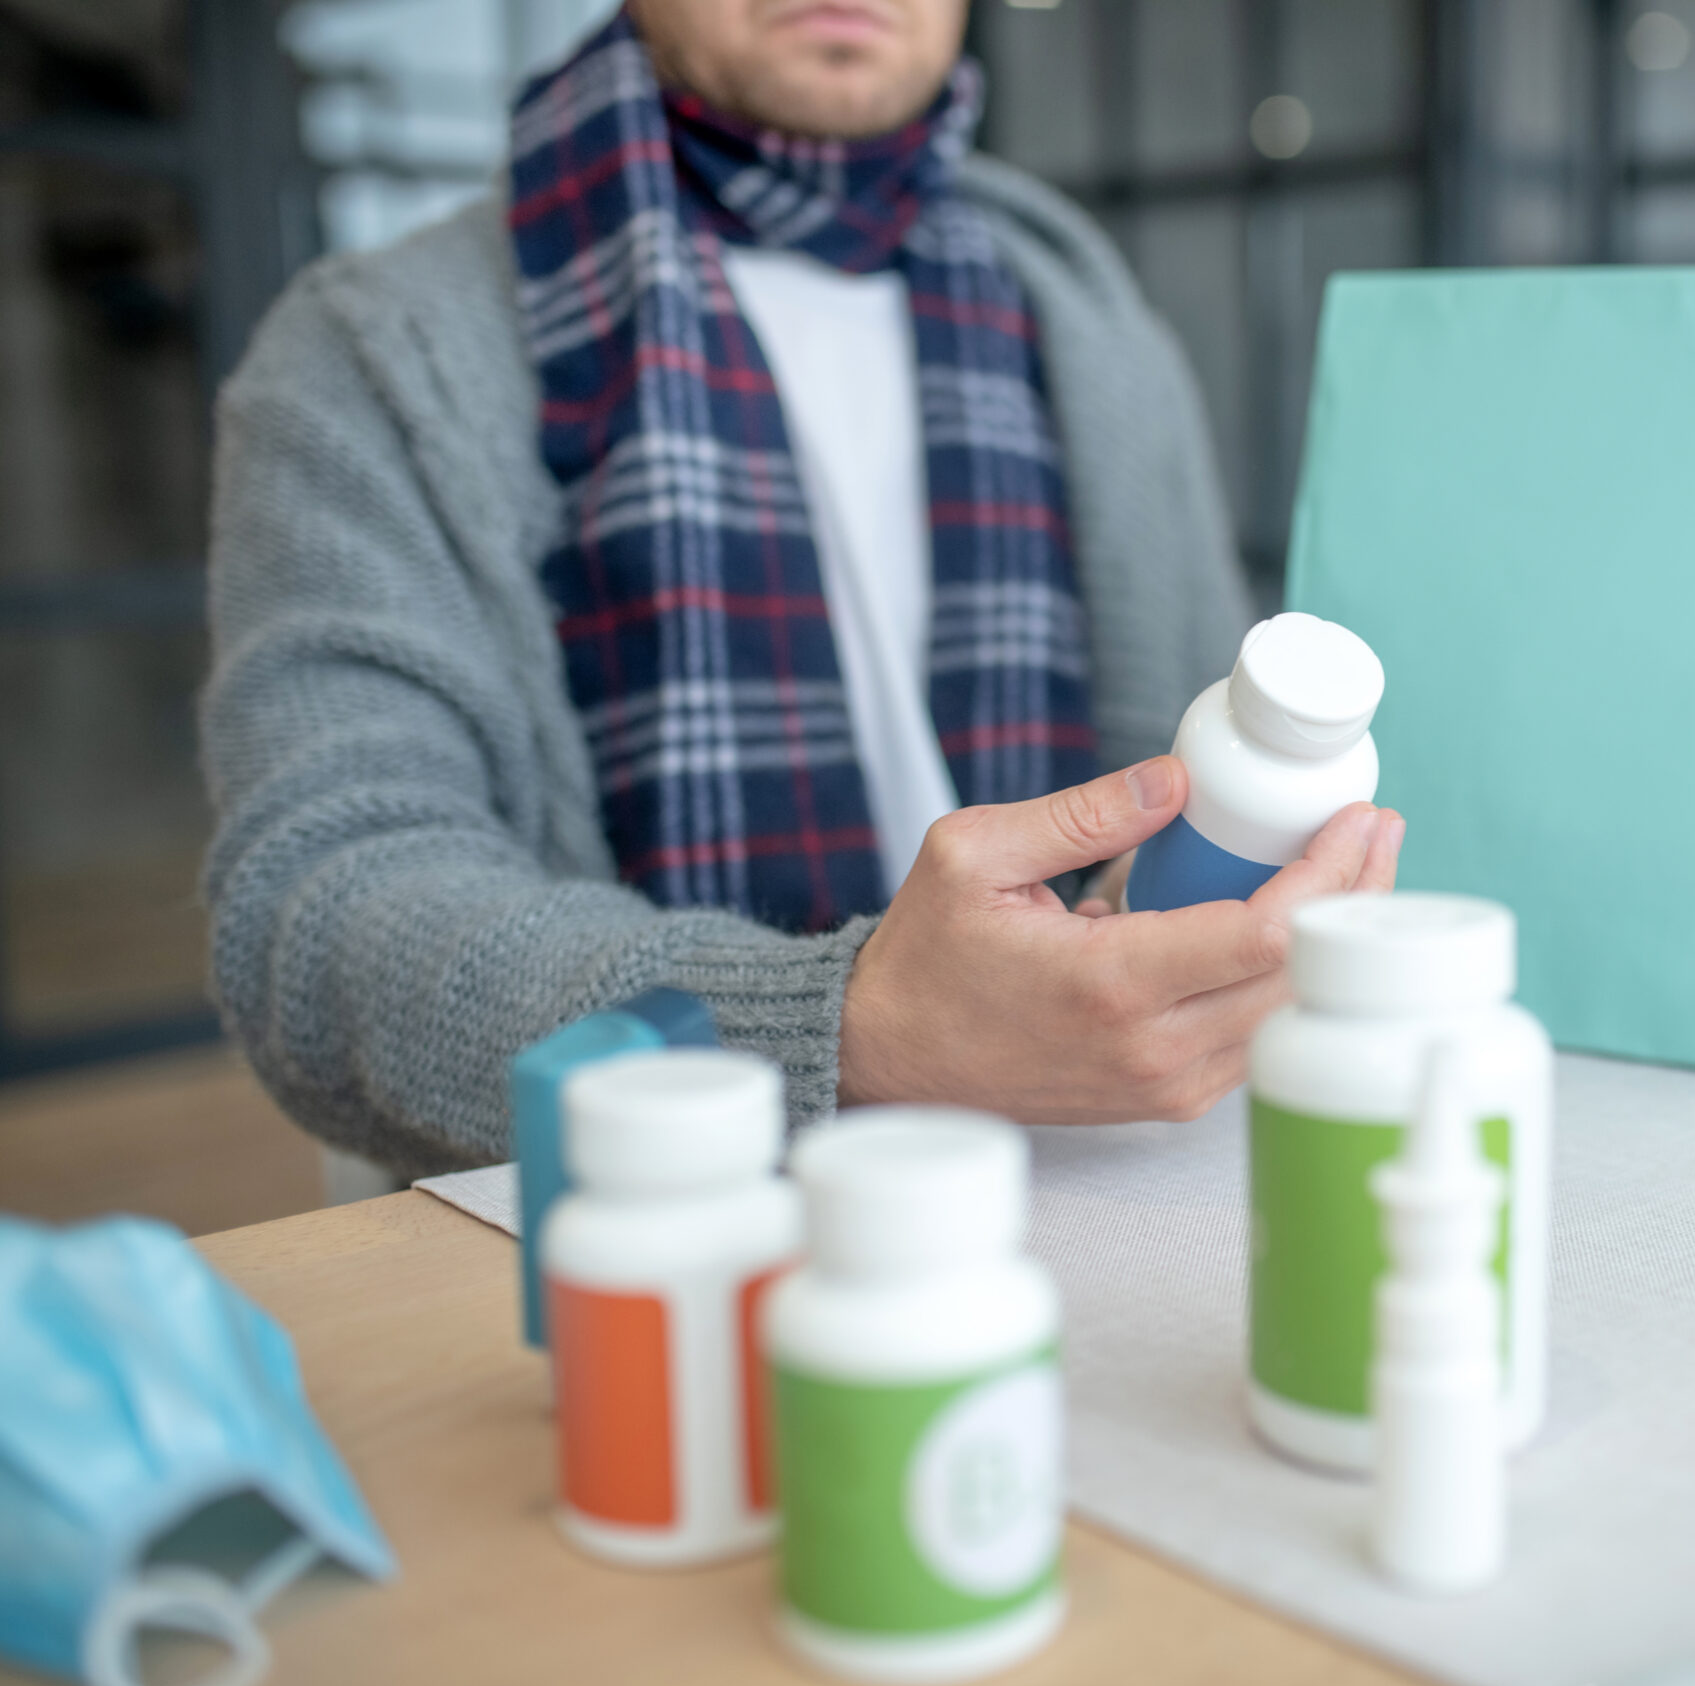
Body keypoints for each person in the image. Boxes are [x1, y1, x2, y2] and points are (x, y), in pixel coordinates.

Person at [200, 0, 1402, 1180]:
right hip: (628, 1244)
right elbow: (318, 921)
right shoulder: (368, 354)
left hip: (1080, 1188)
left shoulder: (1087, 322)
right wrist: (836, 1027)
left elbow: (1185, 786)